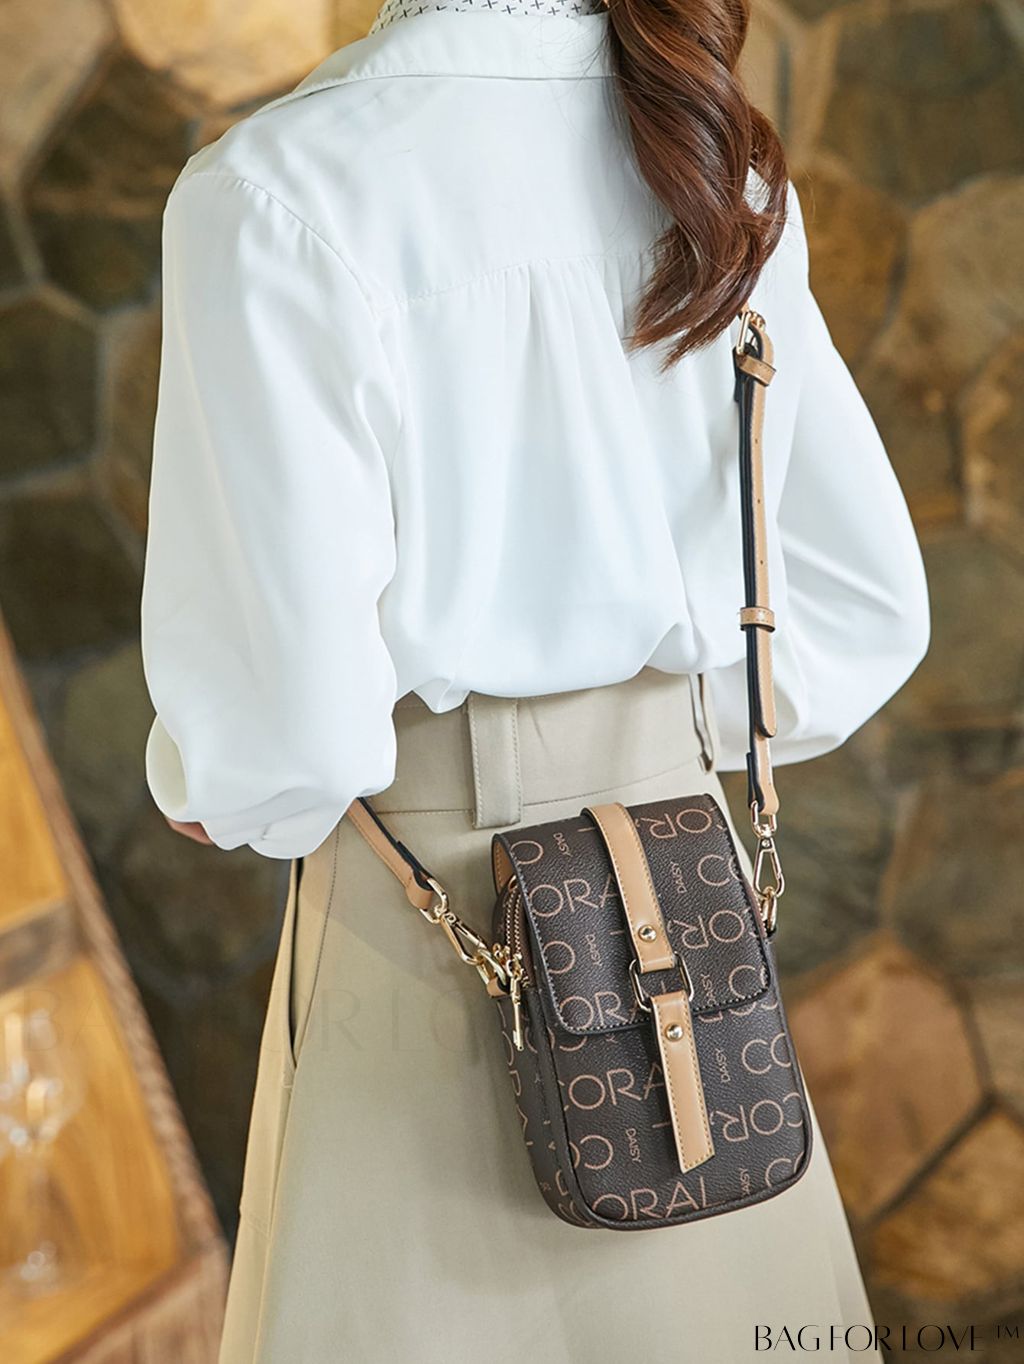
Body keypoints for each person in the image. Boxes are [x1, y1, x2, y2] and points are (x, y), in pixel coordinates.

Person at [139, 1, 930, 1360]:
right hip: (686, 872)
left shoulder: (275, 192)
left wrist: (219, 788)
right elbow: (863, 607)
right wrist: (664, 740)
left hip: (416, 898)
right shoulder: (718, 161)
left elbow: (289, 737)